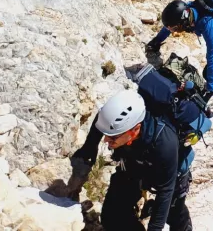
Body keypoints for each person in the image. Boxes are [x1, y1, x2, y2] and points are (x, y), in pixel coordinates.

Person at [77, 90, 192, 231]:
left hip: (169, 173)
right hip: (134, 164)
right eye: (107, 135)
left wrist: (154, 228)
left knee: (173, 212)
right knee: (111, 216)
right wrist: (91, 146)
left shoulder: (165, 144)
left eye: (113, 137)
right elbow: (102, 122)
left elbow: (166, 190)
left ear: (135, 129)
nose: (106, 140)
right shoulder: (117, 125)